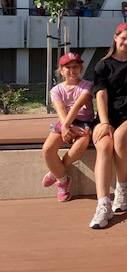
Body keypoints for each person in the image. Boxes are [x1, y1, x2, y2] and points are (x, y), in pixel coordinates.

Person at [90, 22, 127, 229]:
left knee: (121, 136)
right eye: (123, 38)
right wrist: (104, 122)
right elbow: (100, 95)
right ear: (115, 38)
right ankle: (103, 203)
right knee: (105, 146)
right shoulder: (102, 65)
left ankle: (121, 189)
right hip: (106, 118)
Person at [41, 52, 94, 202]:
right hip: (64, 121)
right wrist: (66, 127)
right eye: (68, 67)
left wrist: (67, 127)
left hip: (83, 122)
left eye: (75, 67)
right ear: (61, 70)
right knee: (47, 149)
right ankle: (63, 178)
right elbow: (60, 110)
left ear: (81, 68)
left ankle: (56, 173)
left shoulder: (87, 86)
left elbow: (77, 107)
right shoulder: (56, 90)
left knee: (82, 142)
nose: (72, 70)